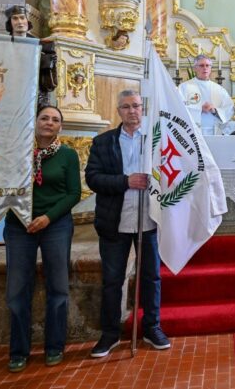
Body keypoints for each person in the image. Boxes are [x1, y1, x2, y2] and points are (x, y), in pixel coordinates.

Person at [85, 90, 170, 357]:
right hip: (115, 221)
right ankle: (110, 334)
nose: (132, 111)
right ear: (118, 111)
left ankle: (152, 327)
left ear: (142, 110)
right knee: (112, 279)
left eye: (136, 106)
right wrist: (125, 181)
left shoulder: (156, 141)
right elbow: (93, 179)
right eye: (126, 107)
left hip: (149, 221)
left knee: (151, 278)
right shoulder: (103, 142)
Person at [3, 105, 80, 372]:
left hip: (55, 225)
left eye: (55, 120)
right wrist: (22, 215)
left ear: (61, 126)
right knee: (16, 290)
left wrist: (48, 217)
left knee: (58, 287)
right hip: (19, 226)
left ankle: (54, 346)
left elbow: (73, 194)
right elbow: (5, 186)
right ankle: (18, 351)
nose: (49, 122)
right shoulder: (17, 152)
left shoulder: (68, 155)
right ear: (35, 122)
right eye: (44, 118)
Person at [178, 55, 234, 135]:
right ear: (195, 68)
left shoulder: (219, 89)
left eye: (207, 65)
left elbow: (229, 108)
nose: (205, 68)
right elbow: (179, 108)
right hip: (192, 132)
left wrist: (216, 111)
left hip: (215, 131)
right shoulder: (184, 87)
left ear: (210, 68)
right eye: (201, 65)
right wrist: (199, 109)